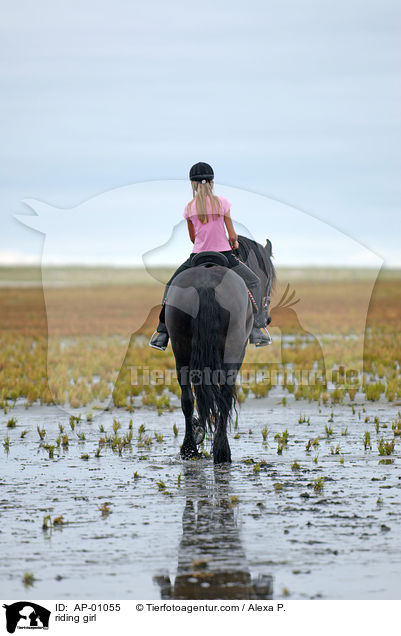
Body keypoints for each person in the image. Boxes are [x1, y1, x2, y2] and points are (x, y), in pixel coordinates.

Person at [149, 162, 271, 350]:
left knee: (171, 285)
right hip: (224, 254)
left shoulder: (189, 207)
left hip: (197, 255)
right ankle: (256, 328)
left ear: (193, 184)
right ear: (212, 182)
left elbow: (192, 238)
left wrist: (203, 243)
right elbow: (232, 235)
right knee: (254, 282)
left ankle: (162, 332)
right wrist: (234, 243)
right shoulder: (222, 203)